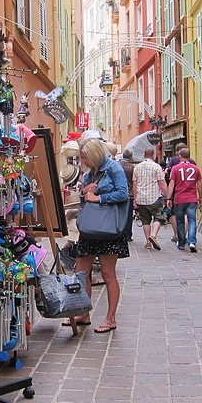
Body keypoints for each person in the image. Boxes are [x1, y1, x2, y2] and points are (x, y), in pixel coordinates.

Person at [68, 138, 128, 333]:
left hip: (108, 229)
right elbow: (85, 199)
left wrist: (99, 197)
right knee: (81, 271)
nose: (83, 161)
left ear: (94, 155)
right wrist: (85, 193)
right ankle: (84, 313)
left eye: (85, 157)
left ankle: (111, 318)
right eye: (82, 158)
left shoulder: (114, 168)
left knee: (107, 274)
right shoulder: (89, 174)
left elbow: (123, 194)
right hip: (89, 229)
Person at [166, 147, 202, 252]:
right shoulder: (195, 168)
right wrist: (199, 198)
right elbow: (199, 185)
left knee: (180, 221)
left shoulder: (175, 168)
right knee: (192, 220)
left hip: (179, 199)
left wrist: (169, 198)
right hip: (192, 198)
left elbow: (171, 184)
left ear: (179, 156)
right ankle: (192, 242)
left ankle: (182, 242)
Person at [131, 148, 168, 250]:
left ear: (144, 155)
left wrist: (135, 198)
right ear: (153, 155)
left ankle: (148, 241)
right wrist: (168, 195)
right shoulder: (157, 167)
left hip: (141, 198)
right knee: (158, 217)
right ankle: (153, 235)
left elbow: (135, 184)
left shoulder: (137, 167)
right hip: (154, 197)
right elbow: (161, 182)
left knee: (145, 220)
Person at [118, 149, 136, 241]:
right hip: (129, 193)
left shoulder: (116, 165)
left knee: (119, 214)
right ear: (130, 157)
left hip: (118, 193)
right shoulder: (132, 167)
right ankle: (128, 235)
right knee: (128, 215)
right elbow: (134, 182)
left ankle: (119, 233)